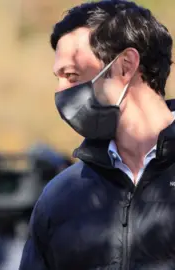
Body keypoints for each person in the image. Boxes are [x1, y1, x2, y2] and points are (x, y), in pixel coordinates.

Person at [20, 1, 175, 269]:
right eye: (59, 77)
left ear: (125, 66)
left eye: (72, 75)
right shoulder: (60, 197)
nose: (61, 91)